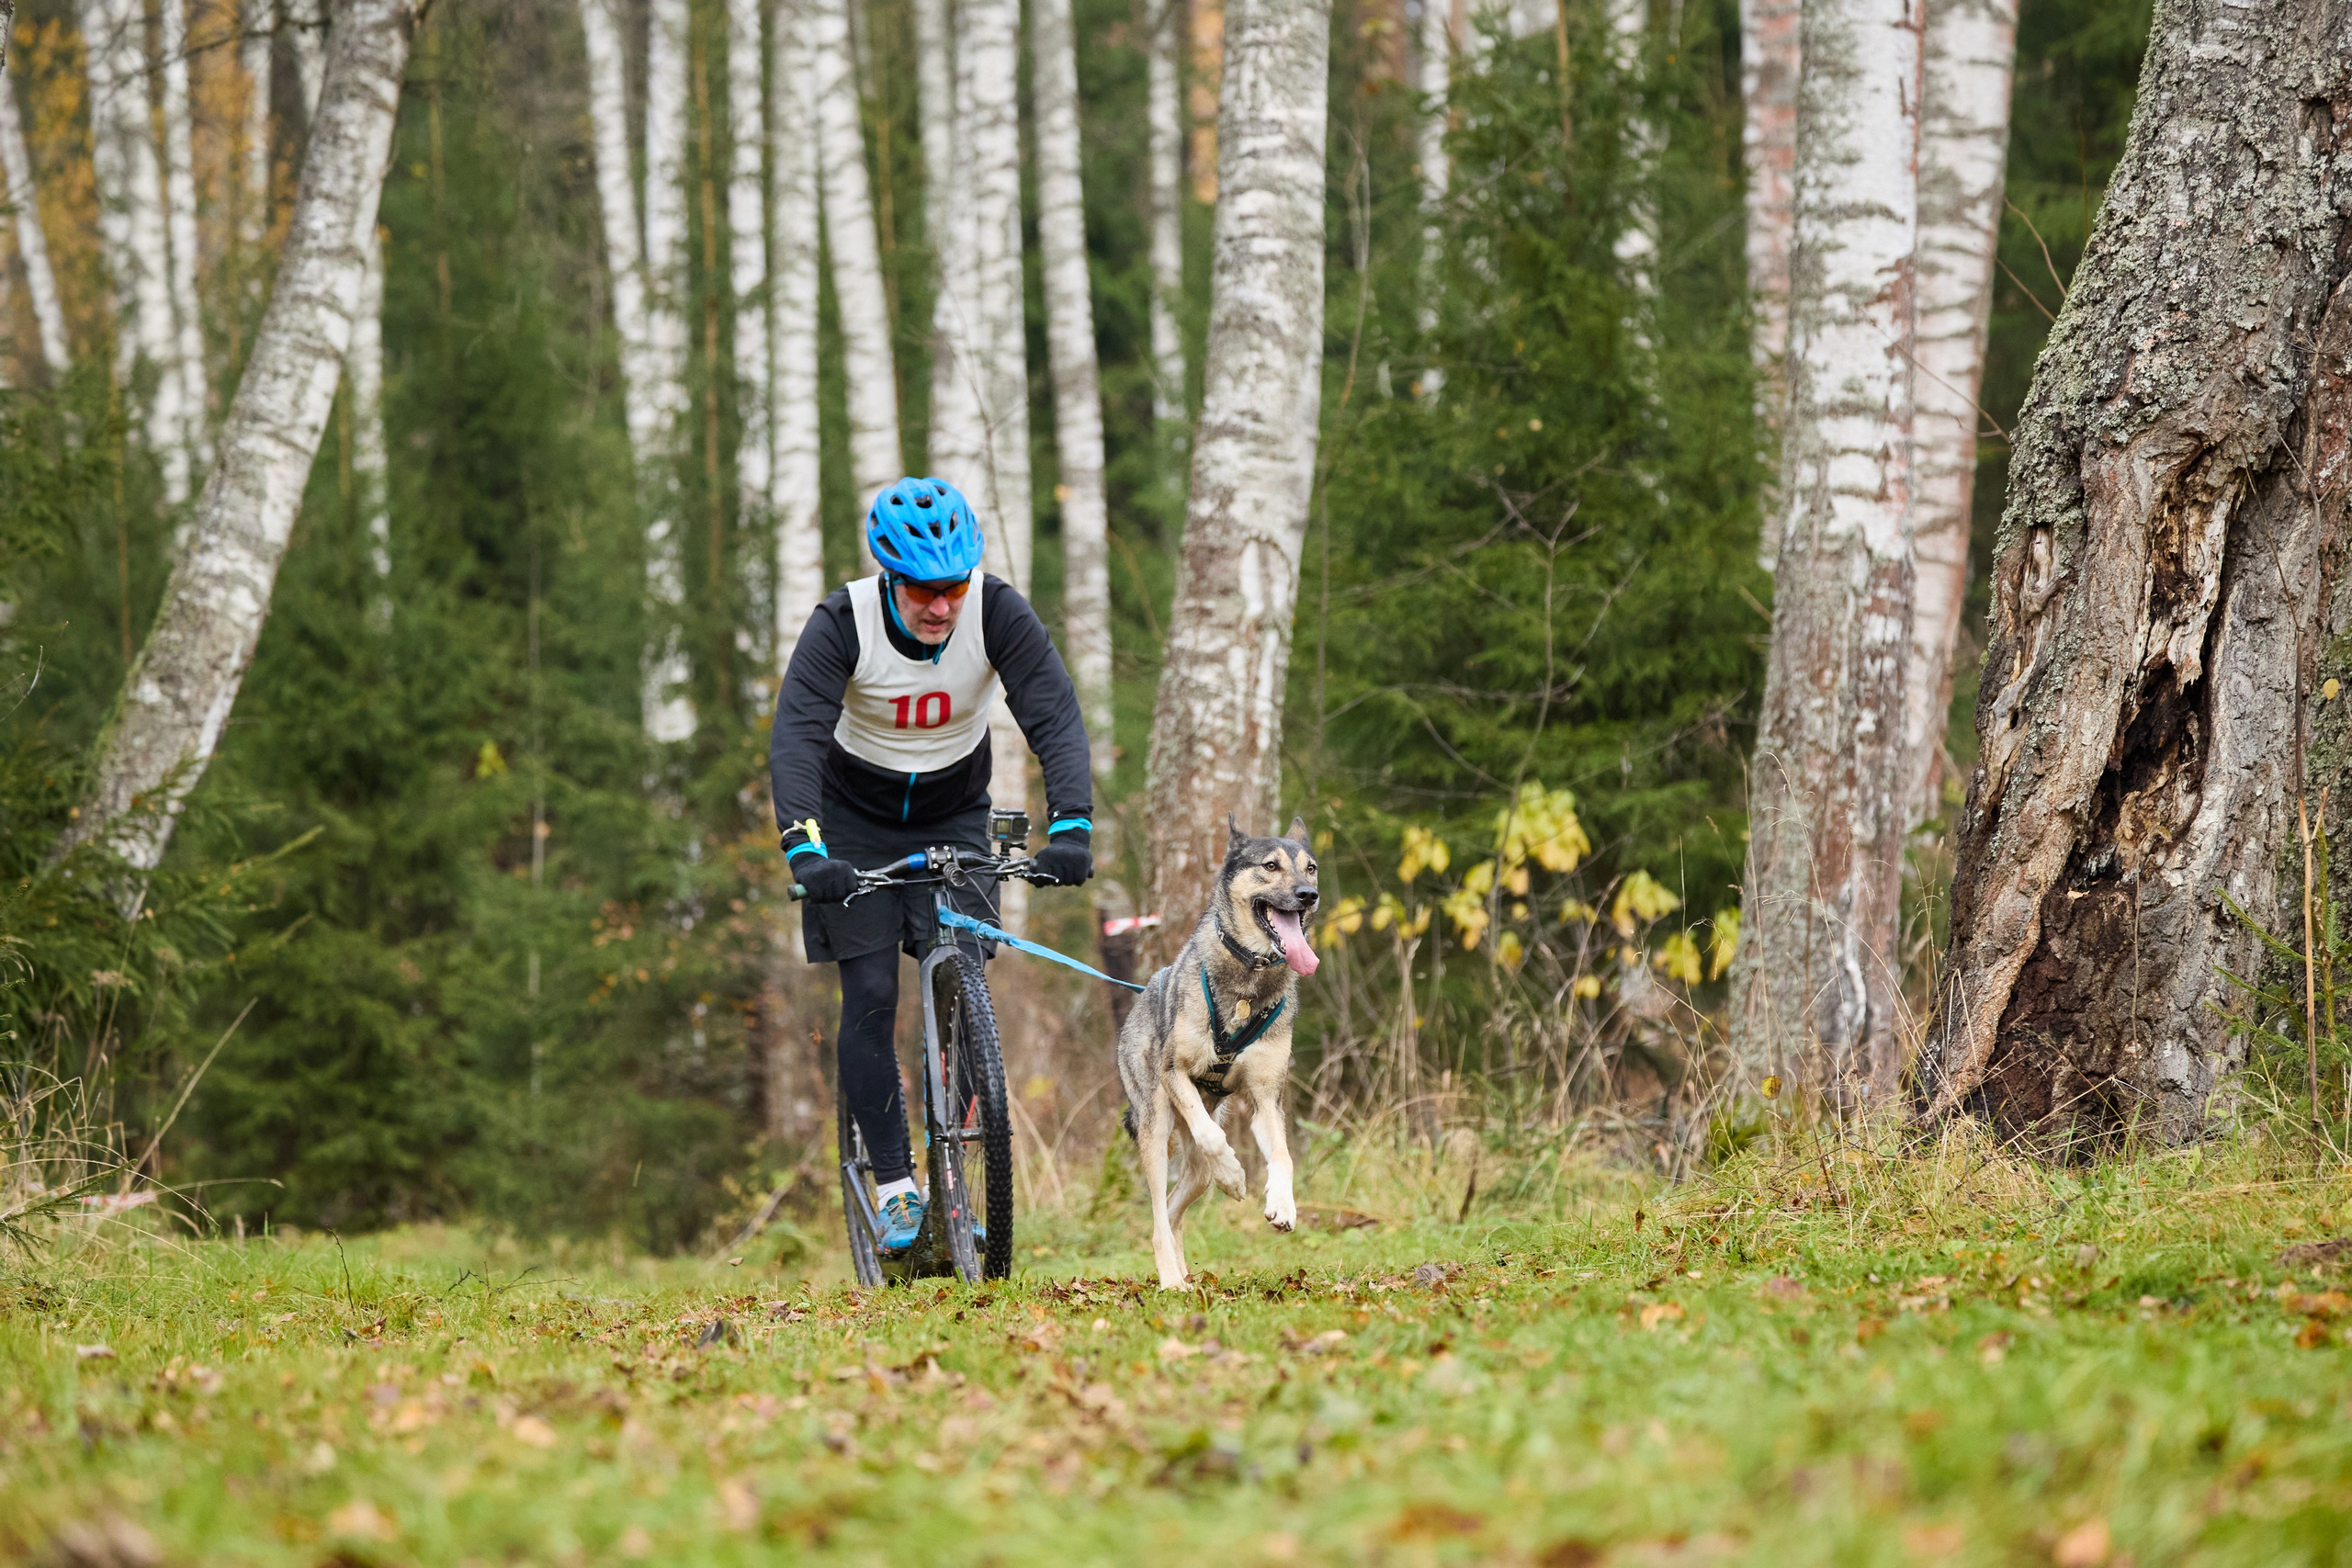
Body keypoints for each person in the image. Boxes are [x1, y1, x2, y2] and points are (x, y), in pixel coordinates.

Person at [771, 477, 1093, 1253]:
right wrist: (805, 846)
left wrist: (1073, 825)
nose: (942, 607)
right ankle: (894, 1190)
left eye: (953, 587)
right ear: (890, 577)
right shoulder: (842, 622)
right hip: (855, 821)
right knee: (872, 992)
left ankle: (955, 1168)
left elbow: (1052, 712)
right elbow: (798, 735)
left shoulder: (997, 610)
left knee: (964, 979)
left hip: (954, 809)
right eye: (923, 591)